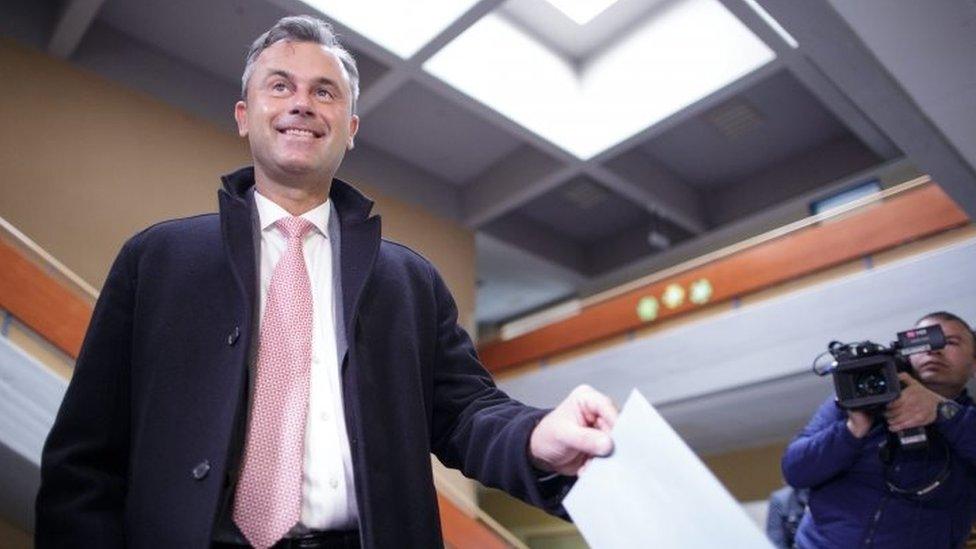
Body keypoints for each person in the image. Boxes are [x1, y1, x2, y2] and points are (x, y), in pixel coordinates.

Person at [35, 16, 618, 549]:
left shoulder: (411, 281)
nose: (303, 105)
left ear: (351, 127)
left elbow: (467, 413)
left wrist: (537, 435)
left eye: (324, 92)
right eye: (280, 86)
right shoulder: (156, 261)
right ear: (244, 116)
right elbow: (84, 461)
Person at [782, 311, 976, 548]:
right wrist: (852, 429)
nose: (933, 349)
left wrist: (944, 412)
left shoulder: (967, 421)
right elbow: (795, 470)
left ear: (974, 363)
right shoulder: (856, 396)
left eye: (951, 342)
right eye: (922, 340)